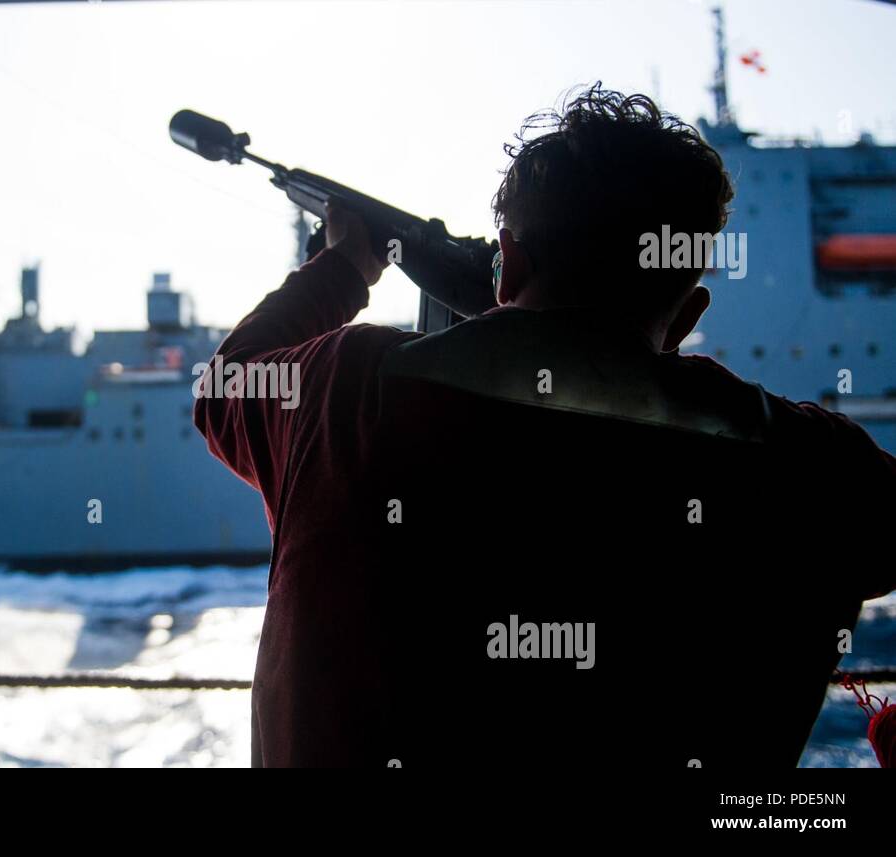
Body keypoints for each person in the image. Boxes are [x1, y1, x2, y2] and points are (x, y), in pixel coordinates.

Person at [193, 84, 896, 768]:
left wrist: (343, 267)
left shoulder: (344, 390)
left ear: (512, 269)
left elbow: (226, 386)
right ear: (687, 315)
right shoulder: (815, 466)